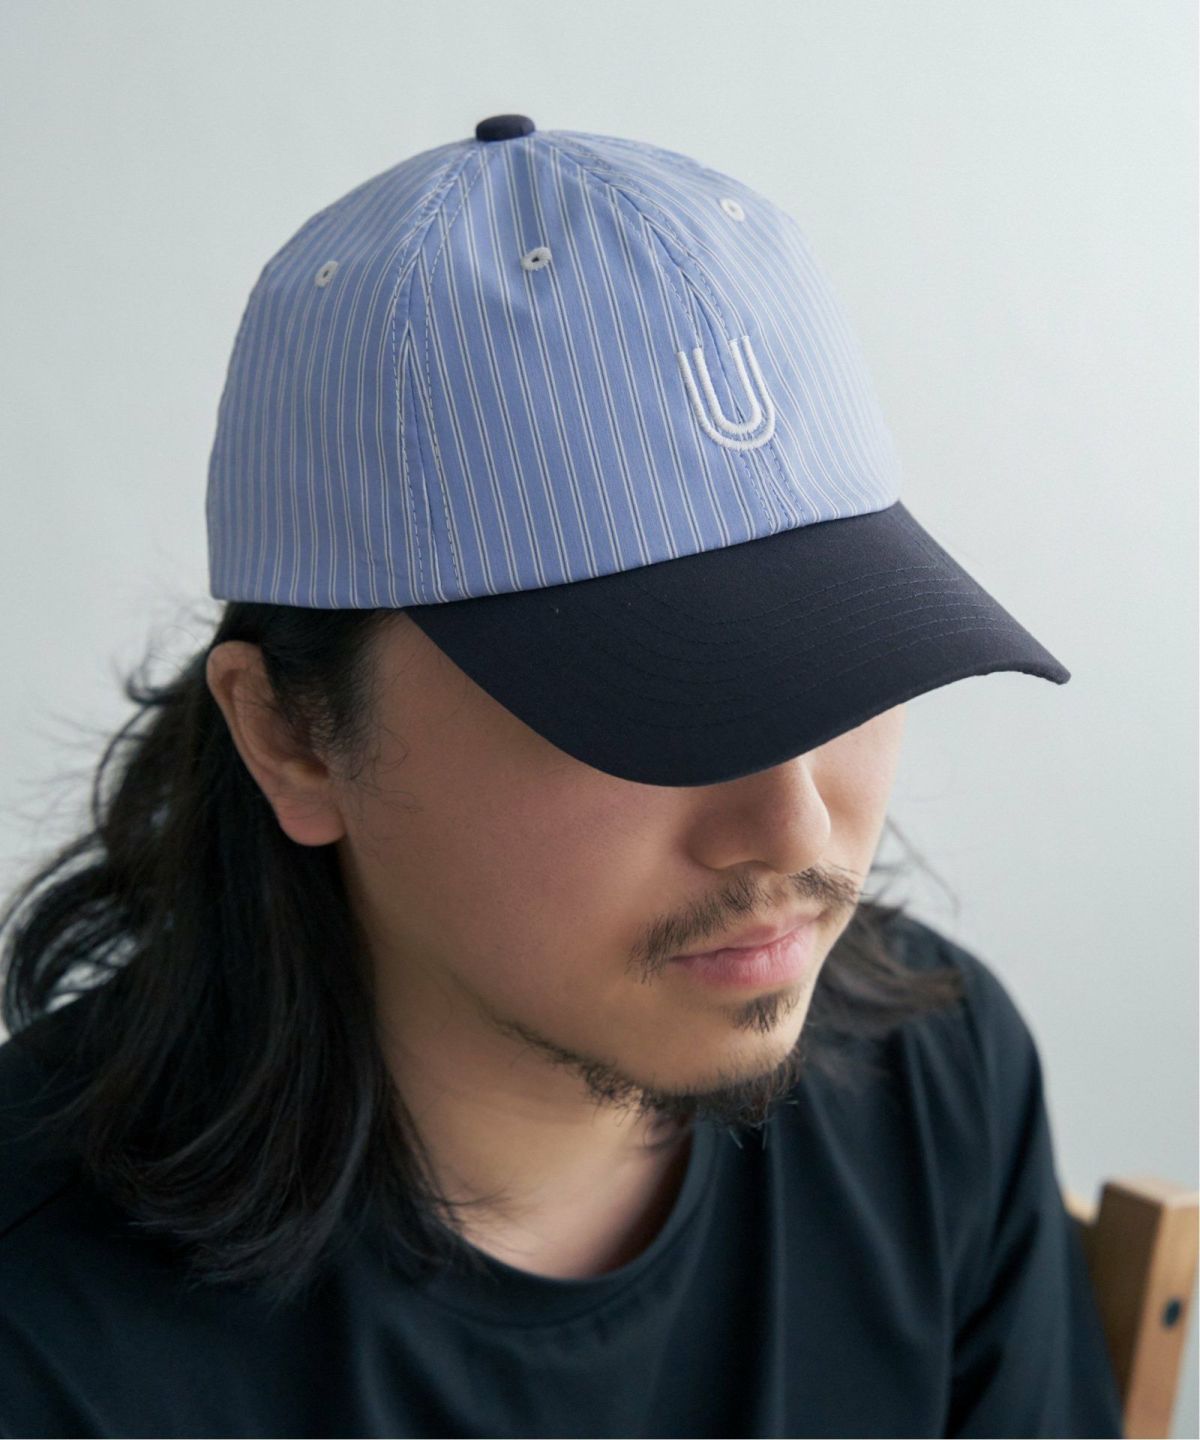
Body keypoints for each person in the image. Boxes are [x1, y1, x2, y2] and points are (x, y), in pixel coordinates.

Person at [0, 116, 1124, 1437]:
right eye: (647, 707)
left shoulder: (935, 1082)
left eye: (843, 667)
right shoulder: (44, 1327)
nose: (794, 826)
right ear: (293, 737)